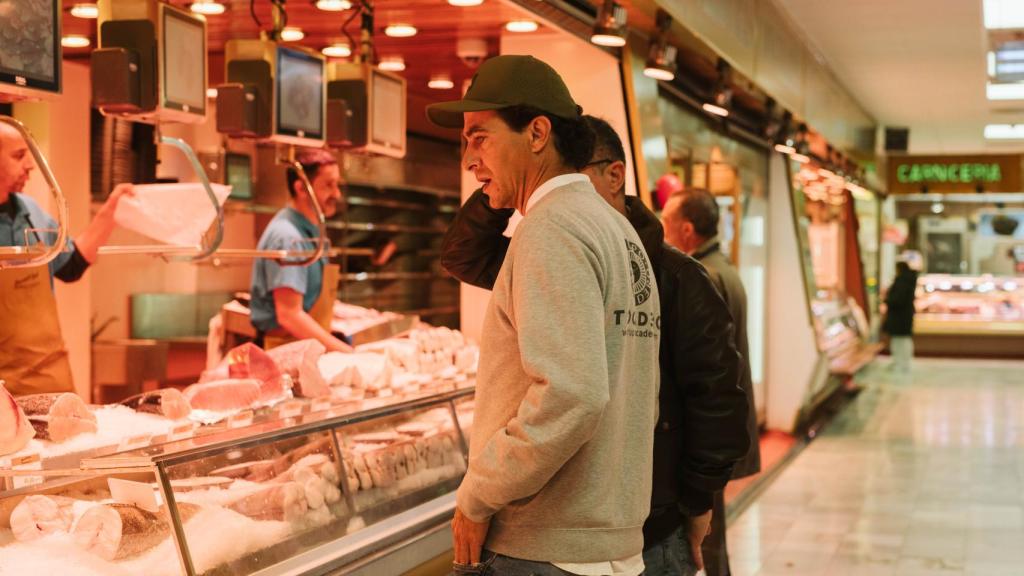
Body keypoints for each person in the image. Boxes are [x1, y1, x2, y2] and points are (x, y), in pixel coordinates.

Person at [442, 115, 751, 576]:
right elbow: (463, 255)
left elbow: (716, 395)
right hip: (593, 524)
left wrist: (697, 501)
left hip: (651, 518)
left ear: (615, 175)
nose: (567, 185)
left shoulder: (673, 273)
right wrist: (502, 182)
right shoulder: (561, 239)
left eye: (576, 173)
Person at [426, 55, 661, 575]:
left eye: (480, 138)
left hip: (546, 548)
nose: (469, 160)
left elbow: (571, 394)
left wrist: (478, 494)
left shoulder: (551, 229)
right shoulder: (617, 230)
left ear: (537, 133)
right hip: (607, 541)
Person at [662, 188, 762, 576]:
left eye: (666, 223)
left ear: (686, 229)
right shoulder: (723, 267)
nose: (663, 231)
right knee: (711, 527)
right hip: (723, 424)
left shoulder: (703, 275)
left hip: (710, 428)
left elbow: (706, 367)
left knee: (707, 532)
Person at [0, 121, 133, 395]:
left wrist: (110, 212)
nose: (30, 165)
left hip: (49, 379)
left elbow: (71, 265)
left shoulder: (30, 210)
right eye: (18, 156)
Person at [249, 148, 351, 352]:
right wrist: (346, 353)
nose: (337, 194)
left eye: (337, 185)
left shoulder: (310, 231)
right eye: (328, 185)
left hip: (303, 346)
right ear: (301, 188)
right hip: (282, 349)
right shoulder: (288, 237)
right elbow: (289, 315)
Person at [882, 257, 919, 373]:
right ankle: (903, 363)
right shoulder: (908, 280)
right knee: (903, 340)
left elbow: (898, 299)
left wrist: (887, 300)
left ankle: (900, 363)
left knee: (899, 341)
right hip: (904, 316)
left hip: (899, 317)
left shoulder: (902, 281)